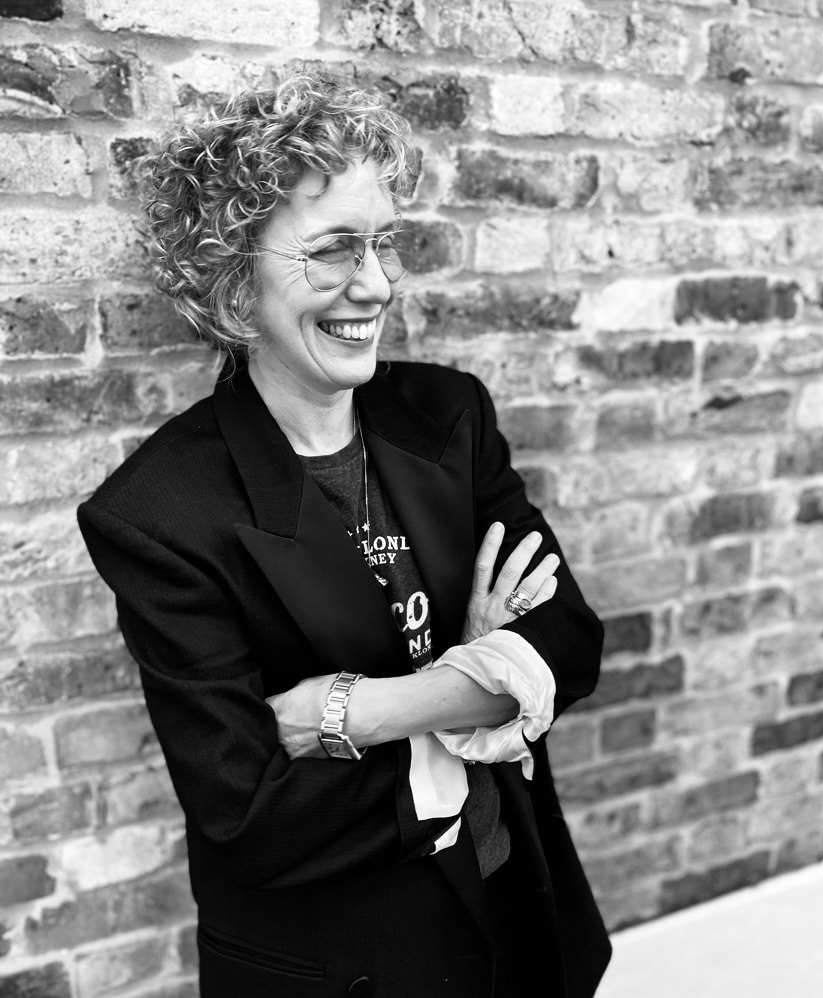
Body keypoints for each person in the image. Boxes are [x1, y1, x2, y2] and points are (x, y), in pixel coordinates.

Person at [77, 76, 611, 998]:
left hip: (517, 916)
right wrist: (481, 675)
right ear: (235, 290)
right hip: (346, 967)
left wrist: (351, 713)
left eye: (383, 243)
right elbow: (251, 816)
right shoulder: (162, 516)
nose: (375, 284)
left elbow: (571, 642)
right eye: (332, 252)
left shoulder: (450, 415)